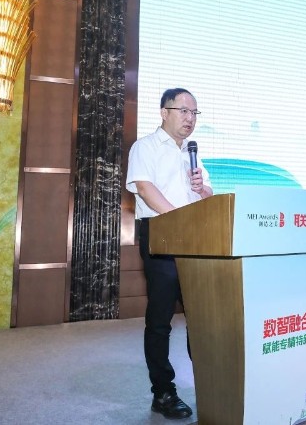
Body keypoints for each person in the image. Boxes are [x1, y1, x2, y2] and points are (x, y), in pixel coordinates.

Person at [126, 87, 213, 420]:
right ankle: (163, 392)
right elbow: (145, 188)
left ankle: (211, 381)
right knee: (161, 320)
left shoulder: (192, 154)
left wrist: (202, 189)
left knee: (201, 317)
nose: (190, 119)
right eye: (183, 111)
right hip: (162, 236)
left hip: (195, 239)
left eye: (194, 113)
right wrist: (179, 218)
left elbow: (208, 196)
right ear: (164, 113)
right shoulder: (145, 147)